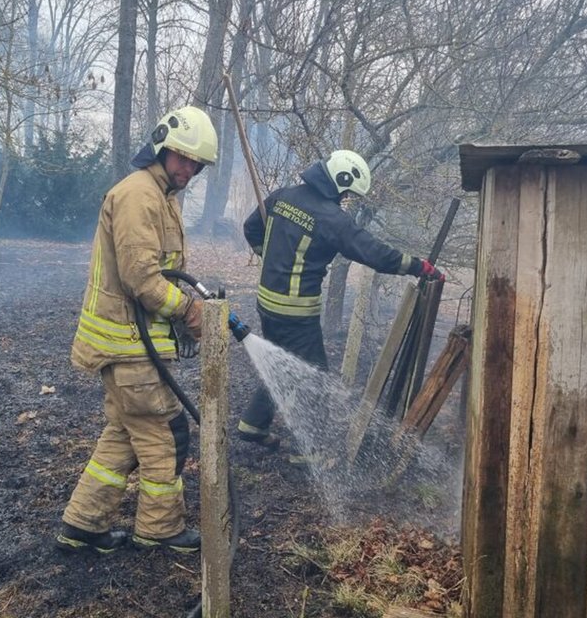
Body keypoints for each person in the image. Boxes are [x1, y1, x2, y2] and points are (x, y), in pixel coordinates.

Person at [55, 106, 217, 555]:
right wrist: (188, 310)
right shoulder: (138, 195)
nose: (190, 169)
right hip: (126, 345)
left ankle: (83, 525)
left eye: (197, 164)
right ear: (162, 147)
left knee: (124, 435)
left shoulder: (160, 196)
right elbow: (141, 277)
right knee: (166, 431)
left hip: (131, 344)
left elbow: (162, 270)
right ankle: (160, 528)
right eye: (184, 158)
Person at [236, 149, 443, 453]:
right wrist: (419, 266)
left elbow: (251, 227)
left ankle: (253, 424)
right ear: (339, 181)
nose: (346, 198)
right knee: (315, 375)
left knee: (283, 362)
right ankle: (316, 452)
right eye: (346, 192)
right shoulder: (331, 219)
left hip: (266, 305)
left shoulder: (283, 196)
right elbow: (375, 254)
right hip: (296, 313)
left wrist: (267, 255)